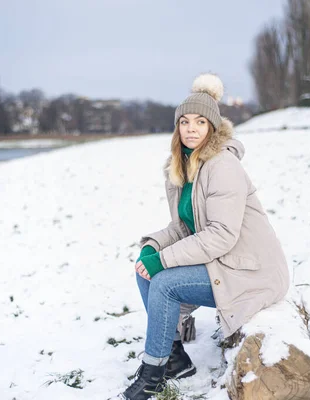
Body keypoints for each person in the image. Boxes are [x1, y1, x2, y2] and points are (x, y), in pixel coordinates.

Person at [120, 74, 290, 400]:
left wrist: (165, 261)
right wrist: (153, 247)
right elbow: (186, 226)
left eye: (200, 121)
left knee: (164, 282)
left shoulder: (222, 166)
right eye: (184, 122)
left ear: (213, 126)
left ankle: (153, 374)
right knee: (145, 272)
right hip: (221, 261)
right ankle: (174, 359)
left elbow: (221, 235)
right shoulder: (182, 168)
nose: (191, 128)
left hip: (249, 270)